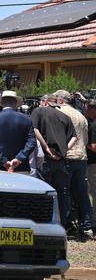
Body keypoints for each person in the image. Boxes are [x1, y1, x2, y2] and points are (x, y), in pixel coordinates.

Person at [32, 93, 77, 229]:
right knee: (62, 193)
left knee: (44, 192)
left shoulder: (39, 111)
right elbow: (74, 137)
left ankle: (43, 224)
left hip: (46, 158)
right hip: (61, 160)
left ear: (45, 102)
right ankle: (62, 224)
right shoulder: (65, 117)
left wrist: (46, 147)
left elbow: (34, 129)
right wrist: (63, 151)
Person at [55, 91, 93, 239]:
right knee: (82, 194)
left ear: (60, 99)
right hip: (82, 157)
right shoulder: (81, 115)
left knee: (64, 192)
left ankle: (67, 224)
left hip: (67, 156)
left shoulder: (60, 112)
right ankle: (86, 226)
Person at [0, 90, 36, 172]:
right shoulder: (27, 119)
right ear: (16, 103)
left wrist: (3, 160)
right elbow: (32, 141)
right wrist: (19, 158)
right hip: (21, 166)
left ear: (1, 103)